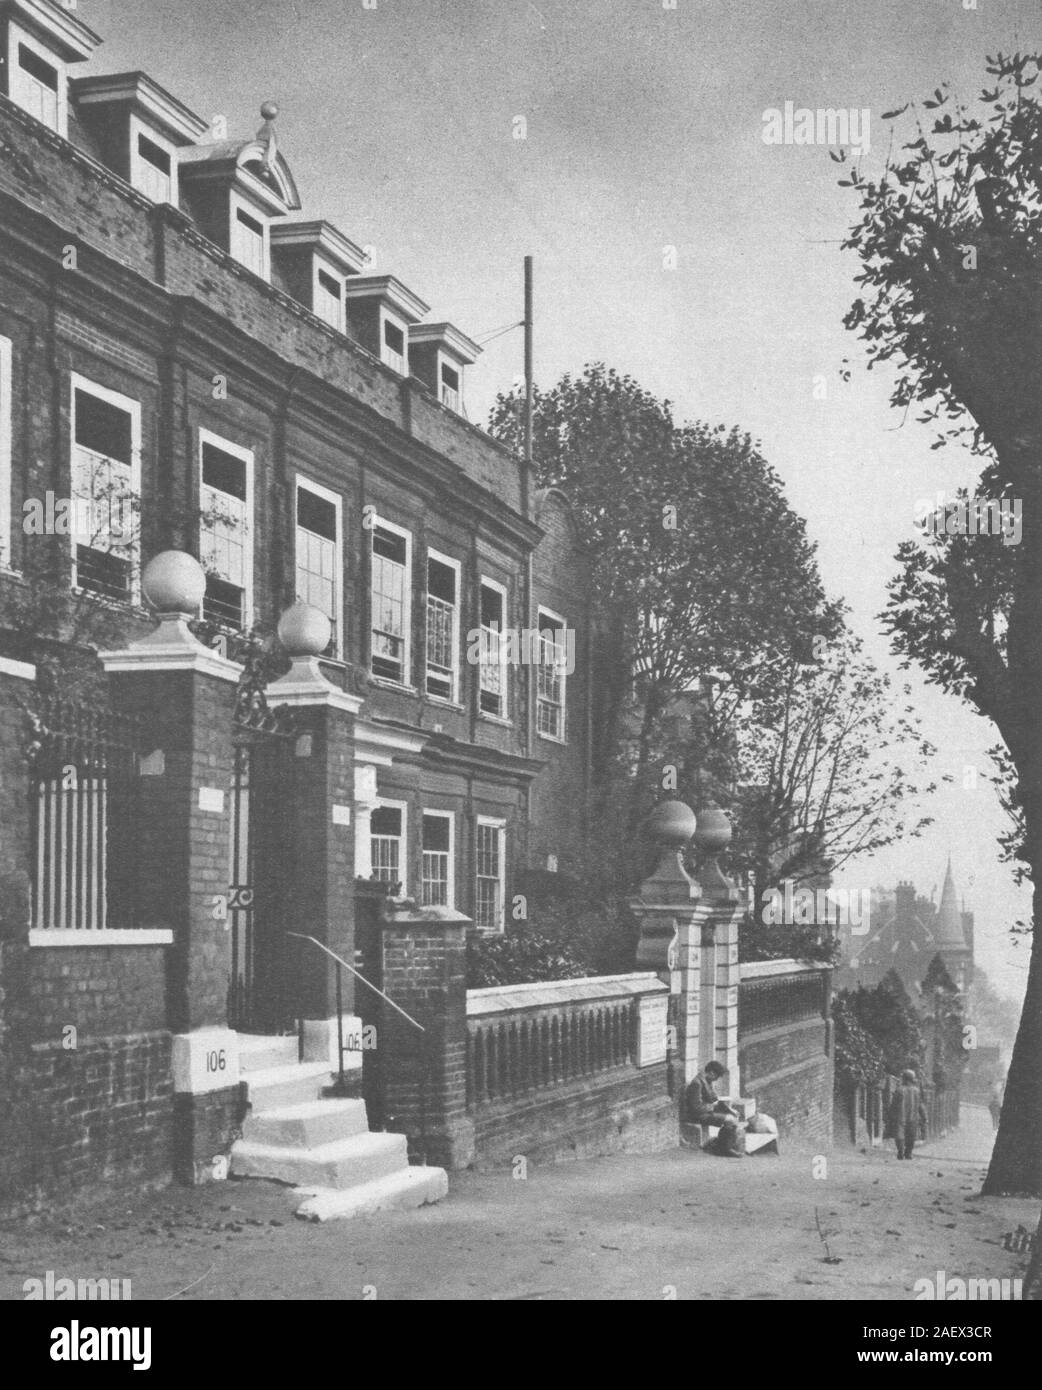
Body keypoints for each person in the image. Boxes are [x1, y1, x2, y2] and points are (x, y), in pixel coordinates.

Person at [685, 1060, 743, 1156]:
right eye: (716, 1077)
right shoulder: (697, 1083)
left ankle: (722, 1145)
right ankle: (724, 1149)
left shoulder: (707, 1081)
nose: (716, 1080)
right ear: (711, 1073)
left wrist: (729, 1109)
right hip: (697, 1115)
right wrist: (713, 1106)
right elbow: (696, 1107)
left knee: (733, 1116)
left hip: (705, 1112)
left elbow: (714, 1098)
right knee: (730, 1120)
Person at [887, 1068, 929, 1160]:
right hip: (913, 1117)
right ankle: (908, 1153)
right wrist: (924, 1116)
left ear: (904, 1079)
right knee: (911, 1135)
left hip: (900, 1116)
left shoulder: (899, 1090)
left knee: (899, 1135)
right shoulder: (916, 1091)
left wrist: (890, 1115)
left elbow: (893, 1105)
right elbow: (920, 1105)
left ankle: (900, 1152)